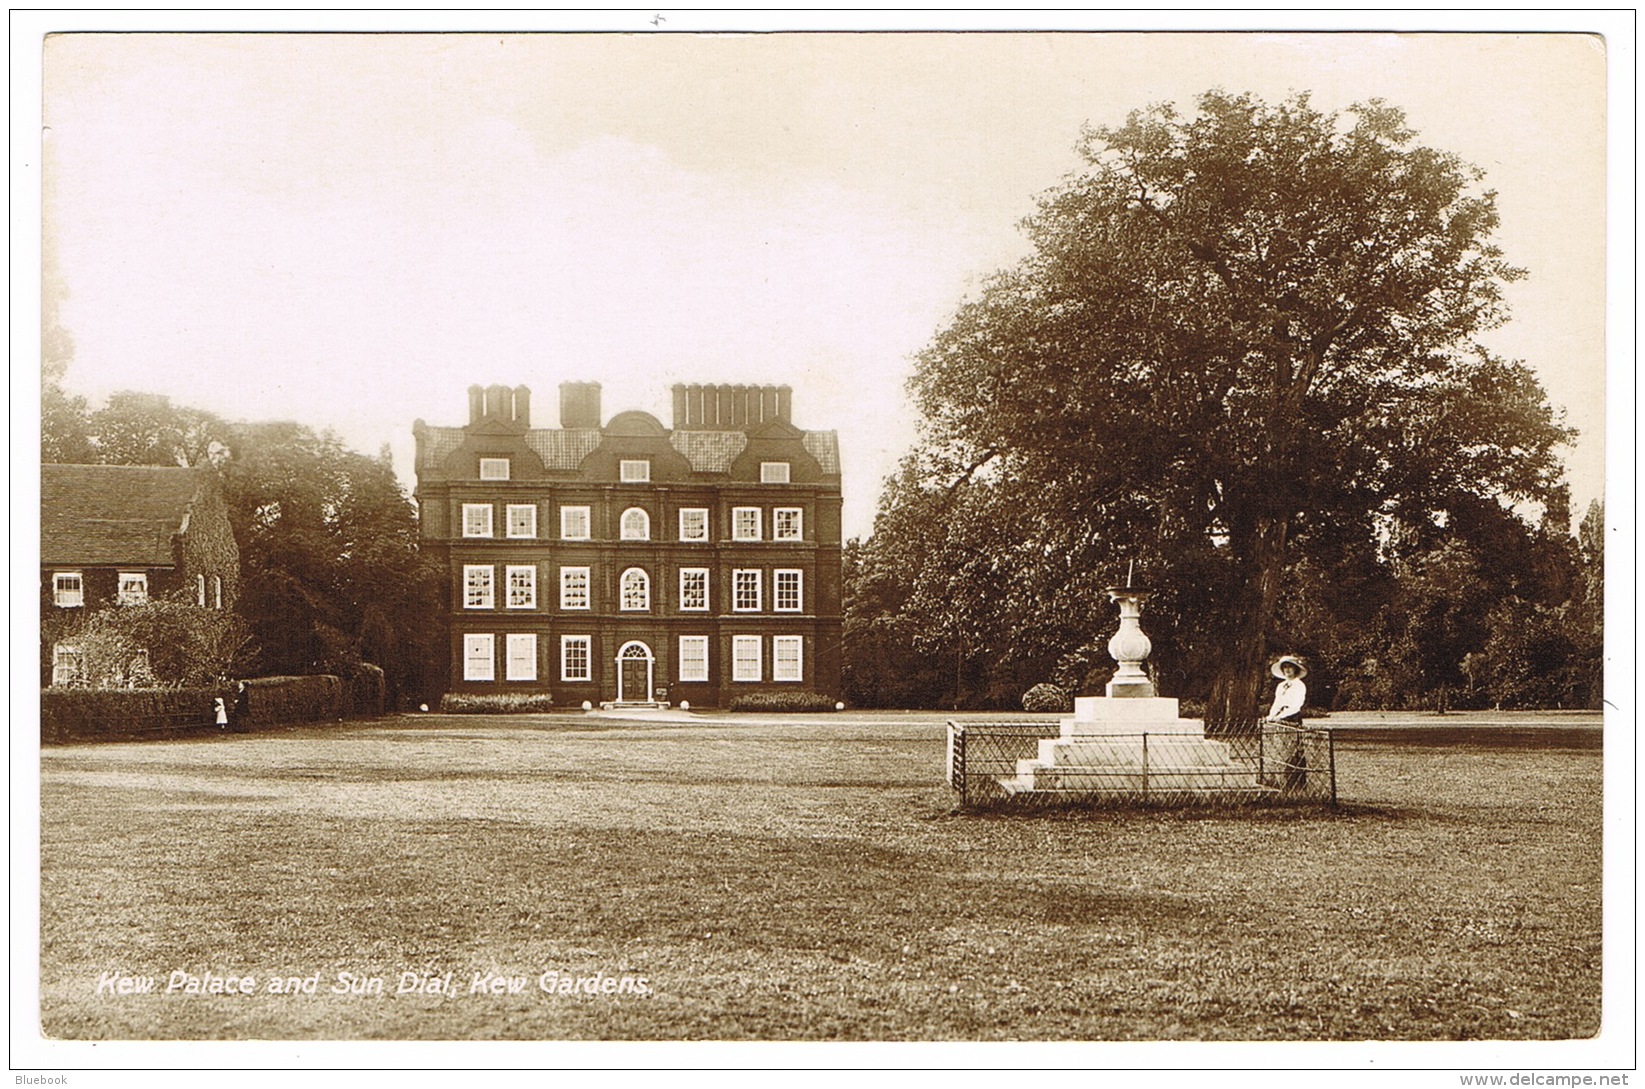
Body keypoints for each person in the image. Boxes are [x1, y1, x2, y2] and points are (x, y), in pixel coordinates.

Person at [1265, 656, 1308, 725]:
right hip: (1279, 717)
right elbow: (1277, 703)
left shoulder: (1299, 685)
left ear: (1295, 669)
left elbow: (1296, 706)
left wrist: (1280, 716)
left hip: (1292, 717)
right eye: (1285, 667)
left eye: (1290, 666)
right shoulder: (1281, 686)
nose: (1287, 669)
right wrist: (1271, 715)